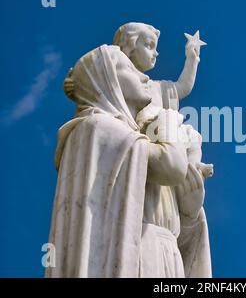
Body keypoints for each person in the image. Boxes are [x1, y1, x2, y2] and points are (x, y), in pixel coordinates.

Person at [46, 44, 210, 277]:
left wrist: (190, 214)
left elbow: (170, 222)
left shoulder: (136, 145)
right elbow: (172, 167)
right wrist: (169, 125)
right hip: (137, 255)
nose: (144, 76)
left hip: (167, 258)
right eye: (129, 69)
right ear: (108, 80)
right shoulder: (98, 127)